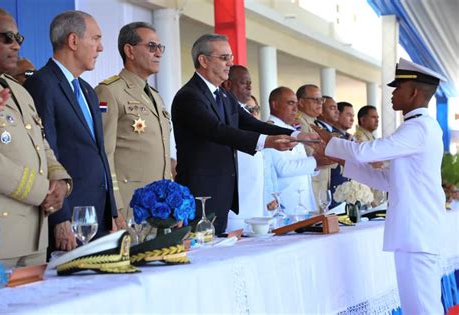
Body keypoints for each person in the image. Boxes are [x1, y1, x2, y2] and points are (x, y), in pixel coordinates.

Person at [314, 58, 447, 314]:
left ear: (414, 92)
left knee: (422, 307)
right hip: (415, 234)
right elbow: (388, 180)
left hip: (417, 234)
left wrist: (332, 141)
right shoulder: (418, 127)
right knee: (417, 306)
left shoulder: (418, 128)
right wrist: (342, 158)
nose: (393, 94)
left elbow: (367, 152)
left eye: (398, 88)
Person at [171, 34, 319, 234]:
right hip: (201, 194)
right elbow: (217, 130)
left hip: (223, 193)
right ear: (203, 60)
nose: (230, 63)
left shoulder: (222, 95)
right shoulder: (189, 96)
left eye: (230, 58)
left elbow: (248, 122)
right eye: (224, 58)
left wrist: (294, 135)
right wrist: (267, 142)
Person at [24, 10, 117, 253]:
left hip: (98, 215)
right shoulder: (42, 85)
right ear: (73, 41)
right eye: (95, 39)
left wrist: (113, 212)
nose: (101, 48)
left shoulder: (87, 90)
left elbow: (99, 152)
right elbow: (46, 154)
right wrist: (59, 217)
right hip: (69, 218)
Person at [0, 6, 71, 267]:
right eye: (6, 37)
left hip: (35, 234)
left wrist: (60, 182)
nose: (16, 46)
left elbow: (41, 145)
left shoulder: (19, 91)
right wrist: (42, 190)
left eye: (18, 39)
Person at [95, 22, 171, 222]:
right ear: (129, 50)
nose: (158, 53)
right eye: (151, 47)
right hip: (130, 207)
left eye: (159, 48)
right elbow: (105, 154)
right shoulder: (110, 91)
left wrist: (172, 204)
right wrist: (115, 206)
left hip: (159, 207)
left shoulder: (155, 96)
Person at [266, 87, 329, 216]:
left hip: (303, 202)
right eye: (290, 103)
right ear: (275, 105)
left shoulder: (292, 129)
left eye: (295, 104)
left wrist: (317, 165)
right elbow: (282, 168)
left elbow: (301, 165)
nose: (295, 108)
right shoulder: (271, 129)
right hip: (286, 203)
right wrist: (315, 162)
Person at [223, 66, 264, 232]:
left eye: (250, 83)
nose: (249, 87)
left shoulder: (243, 116)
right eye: (243, 83)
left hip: (256, 204)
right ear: (228, 84)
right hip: (236, 208)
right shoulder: (224, 112)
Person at [296, 84, 335, 209]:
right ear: (301, 102)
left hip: (321, 186)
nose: (320, 103)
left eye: (321, 100)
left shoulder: (314, 123)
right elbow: (310, 153)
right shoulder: (300, 123)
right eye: (315, 100)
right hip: (310, 186)